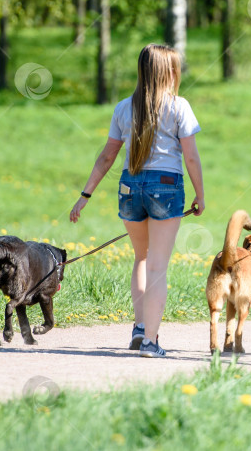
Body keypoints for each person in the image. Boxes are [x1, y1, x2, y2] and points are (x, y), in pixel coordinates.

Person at [70, 44, 205, 358]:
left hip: (129, 187)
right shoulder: (179, 107)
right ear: (169, 72)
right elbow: (192, 157)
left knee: (141, 259)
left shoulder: (123, 108)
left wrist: (85, 195)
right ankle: (150, 343)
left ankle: (140, 328)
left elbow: (106, 157)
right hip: (167, 186)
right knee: (158, 266)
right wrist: (200, 194)